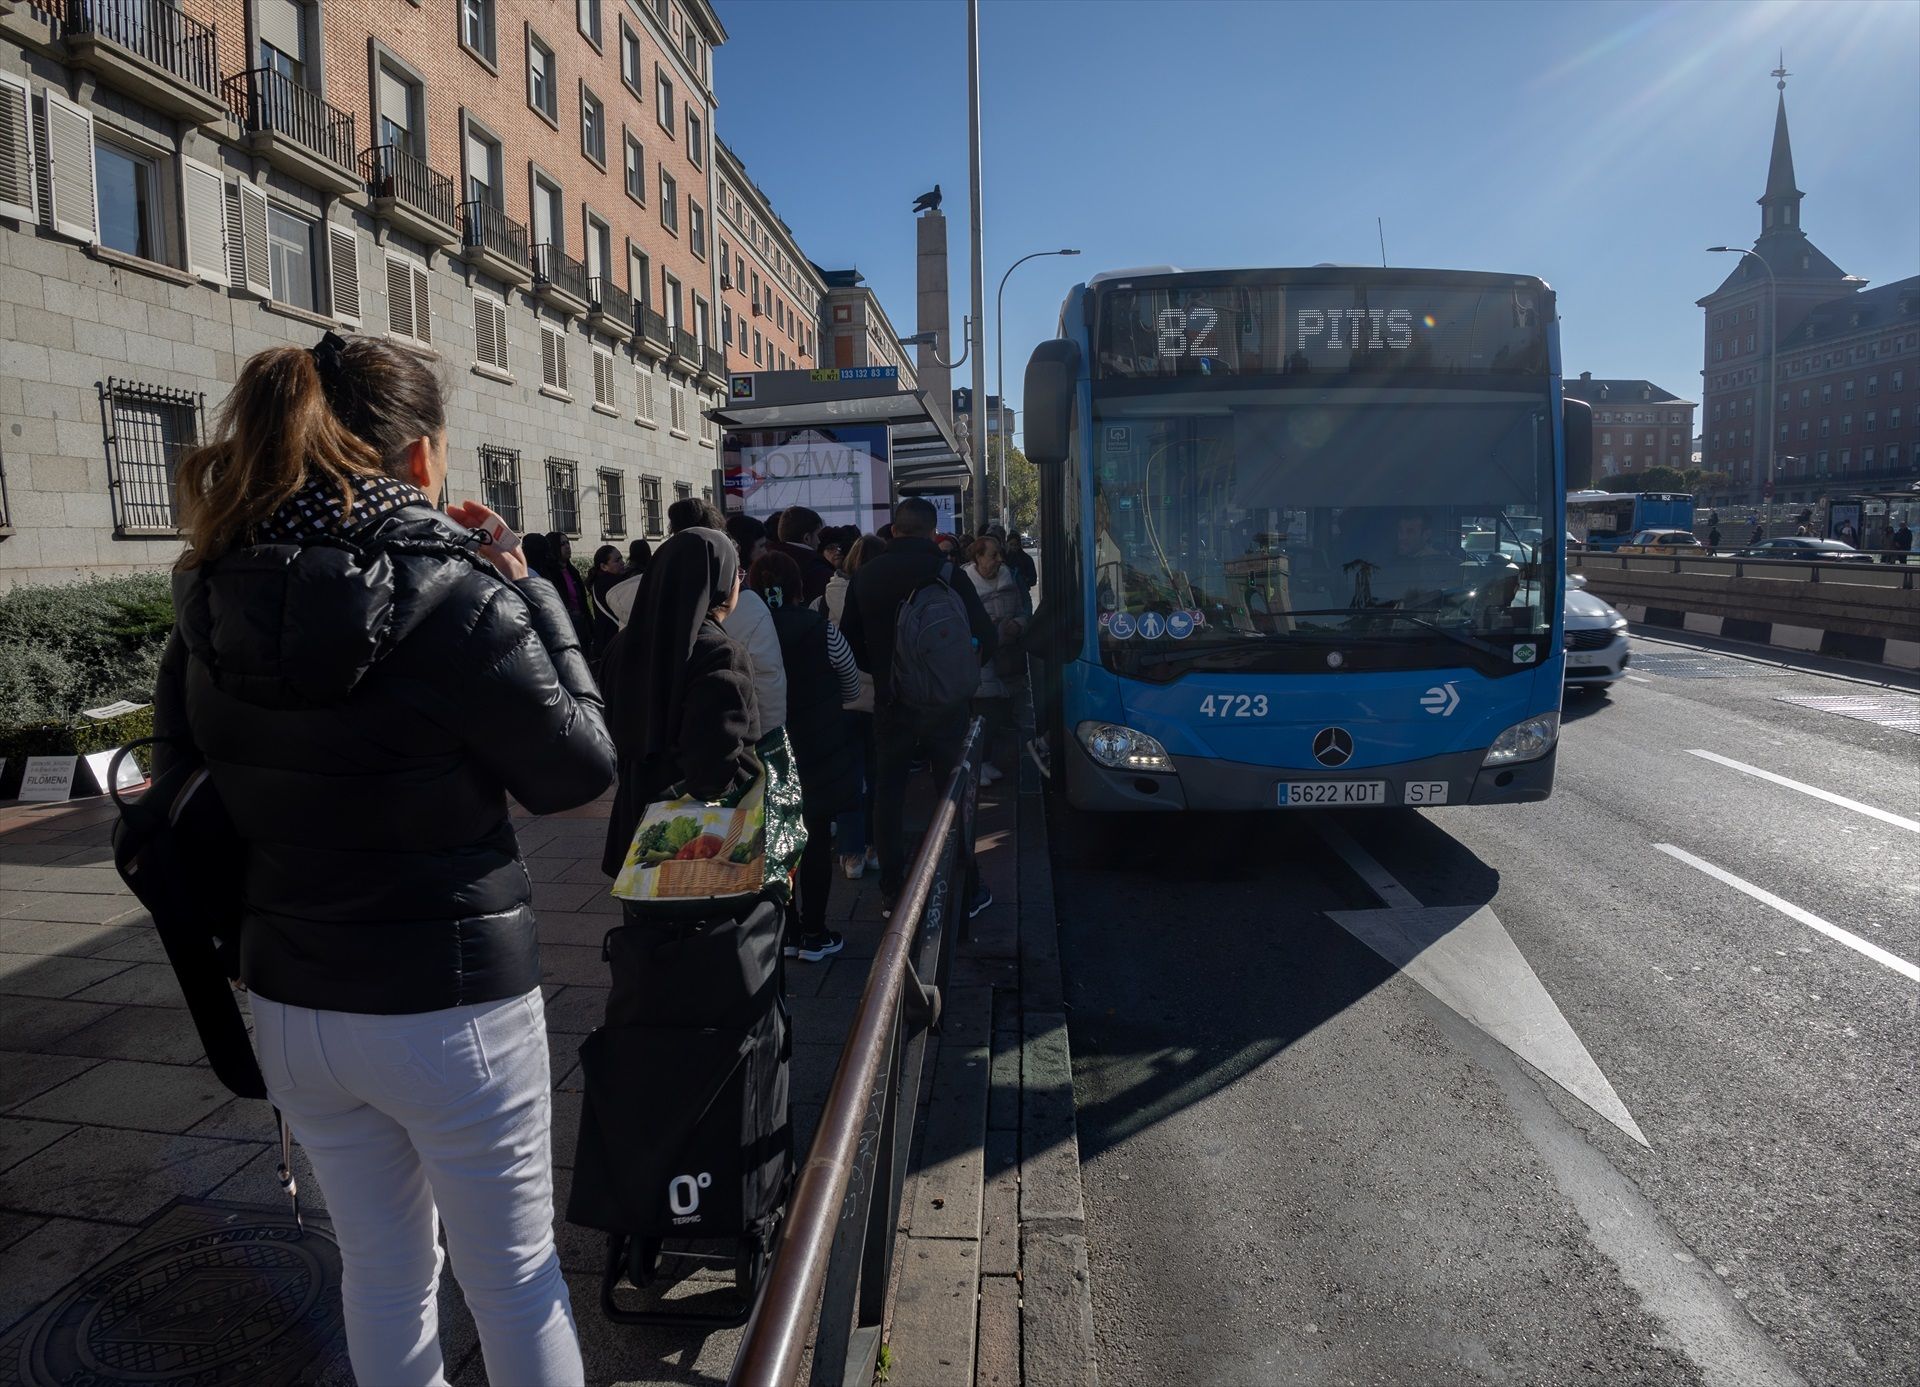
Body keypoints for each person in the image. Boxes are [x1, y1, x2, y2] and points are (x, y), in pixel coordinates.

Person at [156, 333, 615, 1386]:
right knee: (512, 1275)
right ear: (418, 459)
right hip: (451, 1006)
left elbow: (187, 791)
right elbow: (576, 769)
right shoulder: (458, 592)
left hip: (291, 1002)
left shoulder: (208, 588)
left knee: (382, 1269)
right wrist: (533, 588)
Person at [842, 497, 997, 918]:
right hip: (946, 706)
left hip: (891, 705)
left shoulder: (866, 576)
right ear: (933, 533)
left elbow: (847, 644)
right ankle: (966, 890)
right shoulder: (947, 573)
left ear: (893, 531)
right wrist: (955, 676)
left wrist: (886, 671)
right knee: (952, 796)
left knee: (888, 796)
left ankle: (892, 892)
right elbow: (987, 635)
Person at [600, 528, 761, 879]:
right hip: (694, 840)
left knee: (643, 924)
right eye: (738, 575)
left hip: (635, 822)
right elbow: (714, 768)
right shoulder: (719, 653)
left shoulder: (622, 644)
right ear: (720, 582)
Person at [749, 551, 859, 961]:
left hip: (767, 749)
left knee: (776, 839)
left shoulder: (746, 629)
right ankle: (815, 931)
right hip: (818, 748)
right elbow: (850, 680)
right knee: (812, 839)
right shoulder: (820, 628)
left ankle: (787, 929)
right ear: (798, 587)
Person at [824, 534, 885, 878]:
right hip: (881, 696)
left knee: (850, 777)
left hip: (844, 698)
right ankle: (876, 845)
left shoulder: (828, 596)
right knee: (880, 775)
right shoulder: (887, 593)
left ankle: (850, 854)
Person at [962, 534, 1031, 786]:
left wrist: (1019, 624)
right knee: (982, 715)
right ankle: (976, 765)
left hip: (1008, 658)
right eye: (993, 555)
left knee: (1000, 713)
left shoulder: (1011, 577)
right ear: (978, 557)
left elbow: (1025, 608)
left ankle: (986, 761)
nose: (999, 560)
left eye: (999, 554)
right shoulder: (964, 583)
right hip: (980, 659)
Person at [774, 505, 836, 604]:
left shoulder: (767, 563)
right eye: (817, 535)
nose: (819, 541)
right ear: (807, 538)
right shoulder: (819, 572)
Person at [586, 543, 627, 657]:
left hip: (605, 641)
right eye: (617, 560)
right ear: (604, 566)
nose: (622, 563)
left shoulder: (598, 583)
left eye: (621, 559)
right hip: (613, 640)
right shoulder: (612, 584)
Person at [1003, 526, 1038, 593]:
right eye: (1011, 544)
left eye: (1016, 545)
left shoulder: (1026, 559)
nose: (1013, 547)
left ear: (1019, 545)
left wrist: (1022, 580)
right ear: (1007, 544)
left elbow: (1033, 580)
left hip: (1023, 594)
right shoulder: (1003, 558)